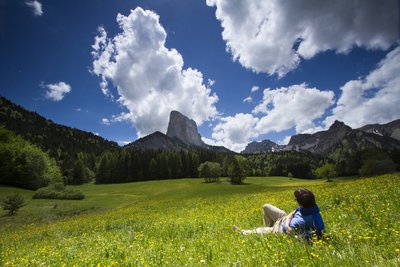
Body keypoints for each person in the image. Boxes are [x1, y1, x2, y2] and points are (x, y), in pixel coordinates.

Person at [233, 188, 324, 239]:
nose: (296, 202)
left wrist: (289, 232)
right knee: (266, 207)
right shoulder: (310, 206)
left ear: (302, 203)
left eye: (296, 200)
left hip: (279, 230)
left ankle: (242, 232)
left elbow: (303, 238)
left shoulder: (313, 221)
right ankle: (268, 227)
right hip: (283, 218)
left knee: (257, 232)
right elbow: (292, 213)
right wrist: (288, 223)